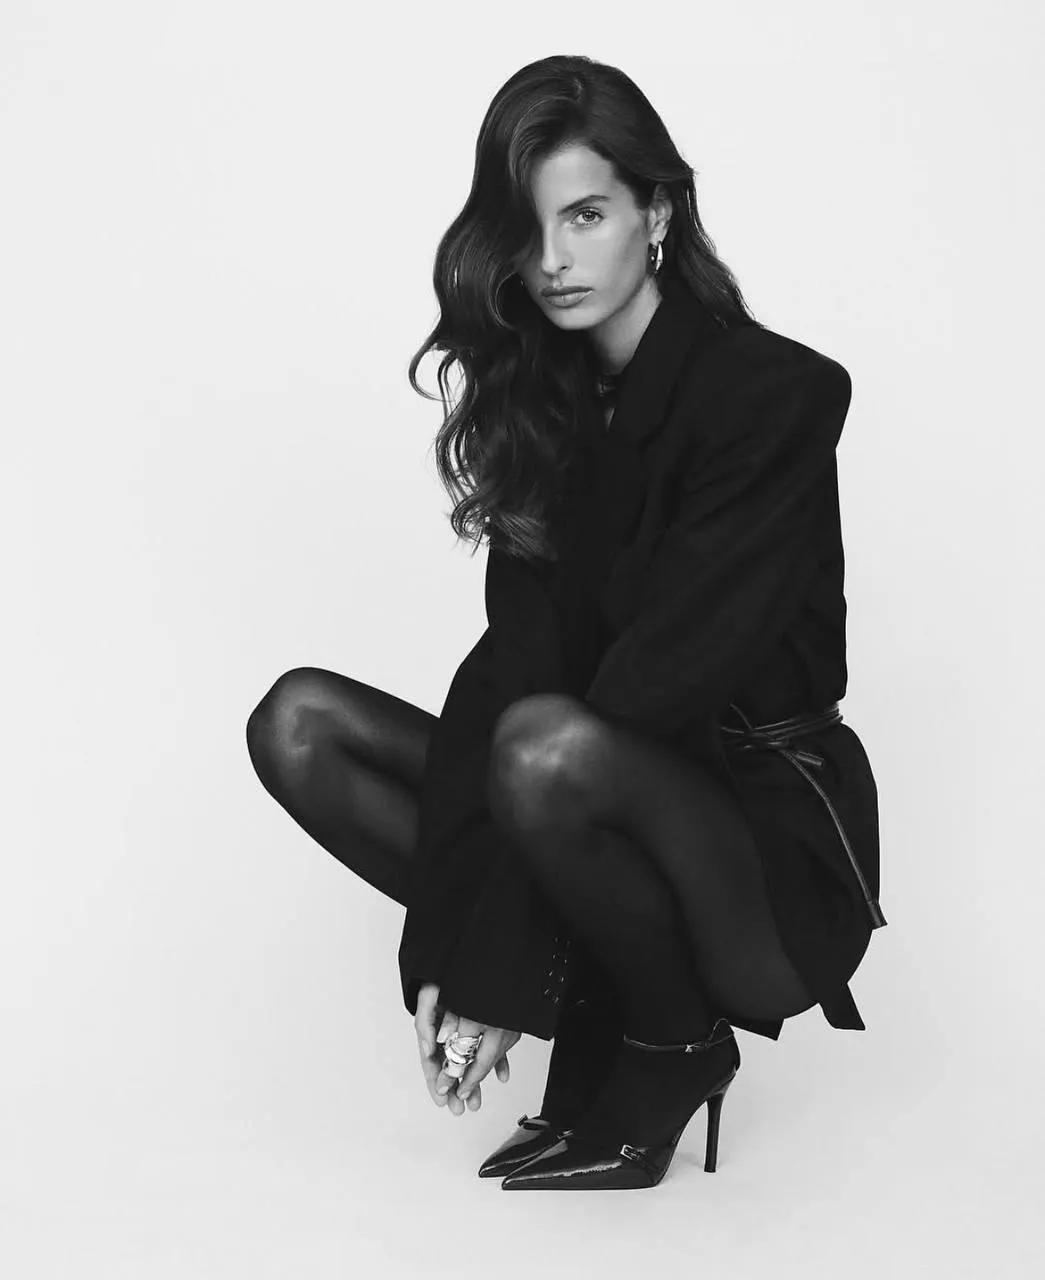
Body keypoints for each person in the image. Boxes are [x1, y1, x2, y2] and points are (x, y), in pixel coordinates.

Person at [245, 54, 886, 1191]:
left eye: (585, 215)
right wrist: (448, 952)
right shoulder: (545, 400)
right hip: (586, 780)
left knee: (545, 748)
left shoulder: (773, 396)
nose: (551, 259)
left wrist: (497, 964)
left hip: (756, 852)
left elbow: (657, 684)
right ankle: (607, 1009)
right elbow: (512, 672)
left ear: (657, 212)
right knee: (303, 726)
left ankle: (675, 1043)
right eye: (528, 226)